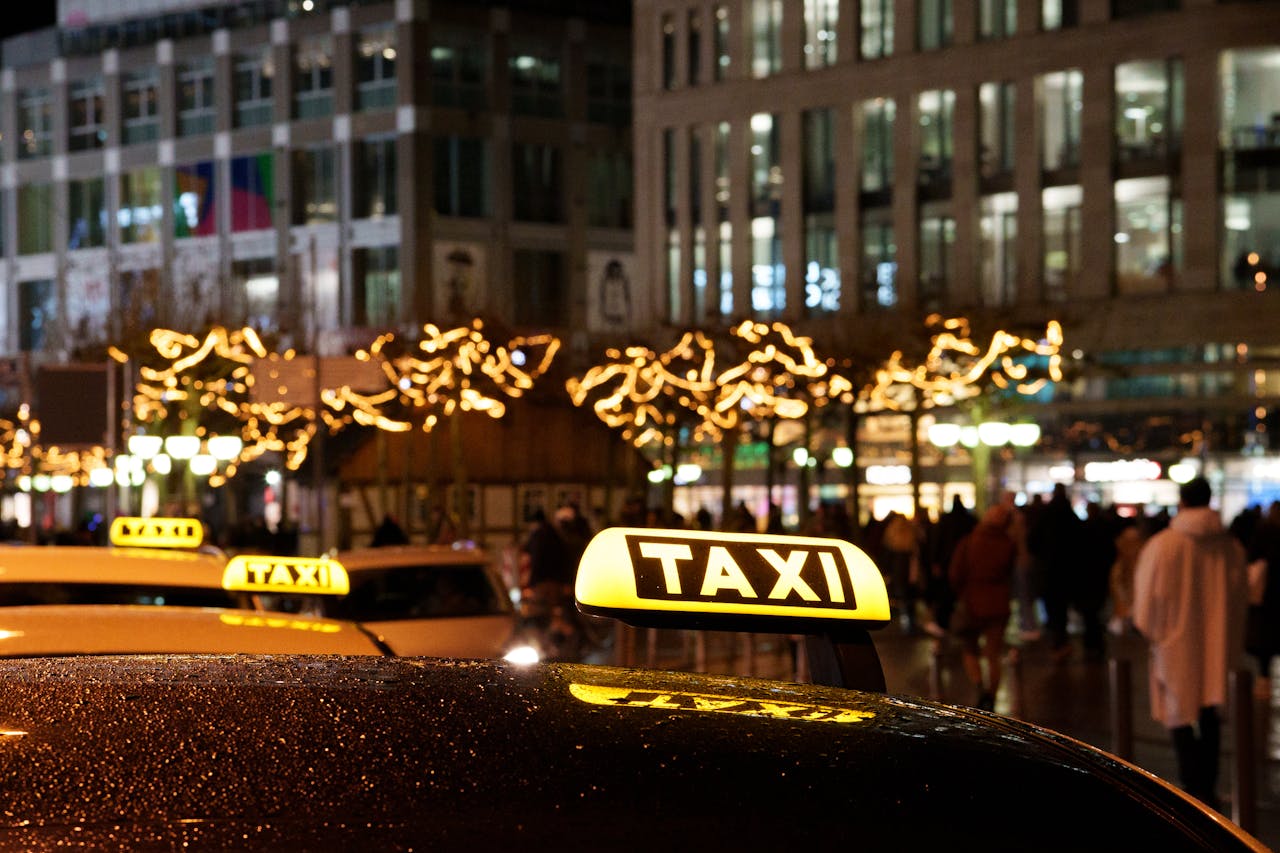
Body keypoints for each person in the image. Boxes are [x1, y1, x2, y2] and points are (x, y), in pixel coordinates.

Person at [1132, 476, 1249, 811]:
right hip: (1218, 645)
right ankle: (1207, 787)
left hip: (1174, 645)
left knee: (1179, 713)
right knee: (1211, 711)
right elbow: (1241, 598)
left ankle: (1191, 786)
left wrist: (1157, 633)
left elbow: (1144, 607)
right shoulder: (1230, 546)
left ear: (1181, 501)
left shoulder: (1162, 545)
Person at [948, 503, 1017, 711]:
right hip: (998, 603)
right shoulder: (1008, 544)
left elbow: (955, 573)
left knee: (970, 648)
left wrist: (962, 593)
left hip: (972, 602)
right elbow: (1010, 572)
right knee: (993, 653)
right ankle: (992, 695)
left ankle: (979, 687)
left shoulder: (969, 542)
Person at [1028, 483, 1084, 662]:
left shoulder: (1045, 515)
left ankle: (1057, 641)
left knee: (1052, 607)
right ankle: (1061, 640)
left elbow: (1032, 541)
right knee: (1062, 608)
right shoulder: (1071, 517)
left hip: (1048, 571)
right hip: (1068, 571)